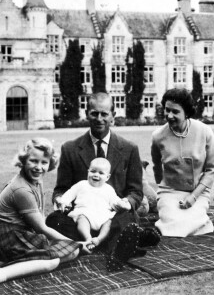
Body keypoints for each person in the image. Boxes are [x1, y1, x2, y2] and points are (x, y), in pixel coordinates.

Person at [46, 92, 160, 270]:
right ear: (86, 114)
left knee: (128, 217)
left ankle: (110, 246)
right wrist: (60, 201)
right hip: (81, 218)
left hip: (113, 217)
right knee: (53, 220)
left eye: (104, 114)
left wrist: (126, 203)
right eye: (94, 113)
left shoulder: (129, 149)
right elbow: (61, 189)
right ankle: (121, 242)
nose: (99, 119)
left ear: (113, 116)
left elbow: (136, 192)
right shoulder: (70, 149)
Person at [0, 138, 88, 283]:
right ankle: (5, 273)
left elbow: (40, 217)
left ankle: (24, 263)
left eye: (44, 162)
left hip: (19, 233)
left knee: (71, 251)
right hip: (7, 237)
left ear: (50, 164)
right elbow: (42, 228)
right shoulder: (21, 189)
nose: (39, 167)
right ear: (23, 160)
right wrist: (77, 242)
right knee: (52, 262)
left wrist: (74, 245)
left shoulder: (36, 180)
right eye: (33, 161)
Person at [151, 88, 214, 237]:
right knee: (173, 219)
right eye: (167, 110)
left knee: (190, 221)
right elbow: (157, 167)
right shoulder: (157, 136)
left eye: (175, 112)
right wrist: (164, 193)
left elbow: (212, 169)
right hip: (170, 191)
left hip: (198, 192)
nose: (169, 115)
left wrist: (194, 196)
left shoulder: (205, 132)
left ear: (186, 112)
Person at [56, 157, 131, 250]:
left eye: (101, 173)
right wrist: (63, 201)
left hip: (102, 216)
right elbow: (70, 193)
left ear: (107, 177)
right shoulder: (82, 184)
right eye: (93, 171)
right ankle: (88, 238)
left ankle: (99, 239)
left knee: (108, 223)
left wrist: (122, 203)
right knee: (82, 219)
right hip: (85, 213)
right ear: (88, 172)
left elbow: (115, 201)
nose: (96, 175)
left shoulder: (108, 189)